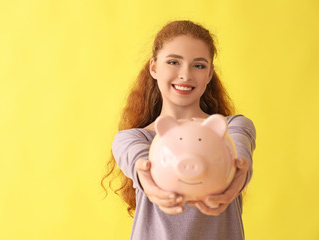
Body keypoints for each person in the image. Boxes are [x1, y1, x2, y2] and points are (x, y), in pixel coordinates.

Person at [102, 20, 256, 240]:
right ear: (154, 67)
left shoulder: (232, 128)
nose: (186, 75)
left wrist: (237, 177)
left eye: (199, 65)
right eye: (174, 62)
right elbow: (136, 159)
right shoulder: (133, 138)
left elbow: (240, 154)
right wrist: (148, 182)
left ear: (210, 74)